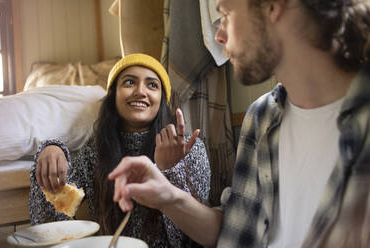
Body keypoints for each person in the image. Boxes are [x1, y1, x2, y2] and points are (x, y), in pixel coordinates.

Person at [108, 0, 370, 247]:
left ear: (272, 6)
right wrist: (168, 196)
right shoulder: (262, 117)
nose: (219, 36)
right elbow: (236, 231)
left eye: (225, 14)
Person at [29, 53, 211, 248]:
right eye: (130, 82)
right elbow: (51, 224)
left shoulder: (190, 148)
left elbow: (192, 239)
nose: (141, 91)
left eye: (152, 85)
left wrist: (168, 171)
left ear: (162, 100)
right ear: (113, 96)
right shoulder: (94, 153)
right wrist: (51, 150)